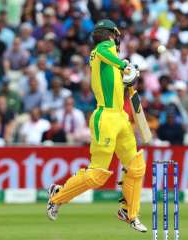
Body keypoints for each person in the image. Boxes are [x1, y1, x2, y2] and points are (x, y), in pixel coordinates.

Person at [46, 19, 147, 232]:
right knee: (98, 175)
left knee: (136, 166)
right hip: (106, 118)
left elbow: (117, 84)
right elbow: (103, 52)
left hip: (120, 117)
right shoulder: (104, 48)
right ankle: (58, 195)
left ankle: (129, 213)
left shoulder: (109, 63)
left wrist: (126, 79)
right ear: (112, 34)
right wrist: (124, 65)